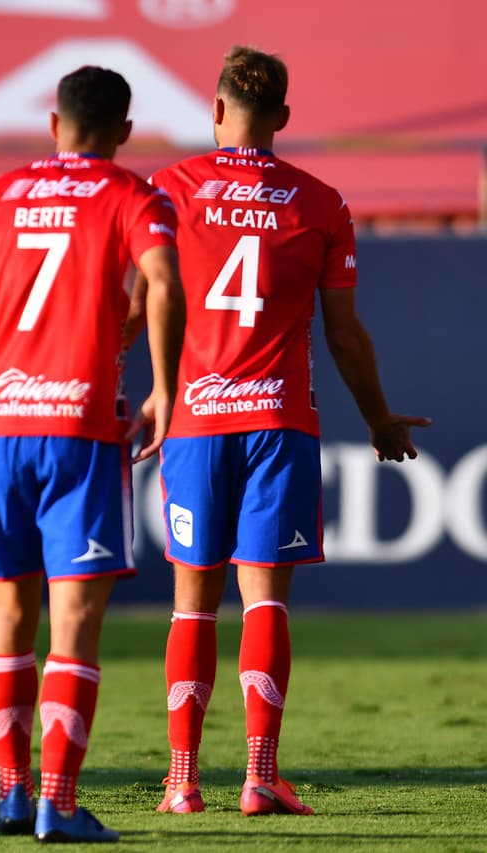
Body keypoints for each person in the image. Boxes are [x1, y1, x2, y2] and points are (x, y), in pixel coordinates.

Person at [135, 46, 431, 817]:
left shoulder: (172, 189)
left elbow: (139, 303)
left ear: (216, 108)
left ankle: (181, 780)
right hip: (277, 422)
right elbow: (345, 335)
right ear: (286, 119)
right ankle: (261, 775)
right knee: (265, 601)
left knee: (192, 603)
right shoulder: (321, 202)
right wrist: (378, 418)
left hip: (196, 422)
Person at [0, 67, 186, 843]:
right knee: (74, 621)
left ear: (54, 122)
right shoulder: (135, 195)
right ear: (124, 131)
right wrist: (164, 387)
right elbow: (162, 284)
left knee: (7, 614)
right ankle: (57, 805)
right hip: (79, 430)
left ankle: (10, 792)